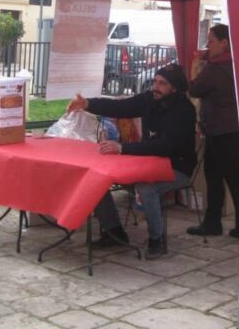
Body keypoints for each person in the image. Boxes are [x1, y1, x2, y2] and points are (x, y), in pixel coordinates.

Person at [66, 63, 196, 260]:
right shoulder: (150, 99)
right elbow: (121, 107)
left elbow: (164, 146)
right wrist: (88, 104)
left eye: (163, 83)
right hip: (146, 161)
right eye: (155, 81)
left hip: (176, 167)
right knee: (98, 175)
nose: (156, 87)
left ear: (175, 88)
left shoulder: (184, 111)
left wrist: (122, 148)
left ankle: (156, 240)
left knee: (146, 187)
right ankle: (114, 232)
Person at [186, 24, 239, 239]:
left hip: (219, 131)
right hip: (235, 129)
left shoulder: (215, 68)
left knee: (216, 178)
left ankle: (213, 223)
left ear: (224, 43)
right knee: (235, 179)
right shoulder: (237, 65)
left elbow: (194, 89)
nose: (208, 46)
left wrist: (196, 66)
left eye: (211, 41)